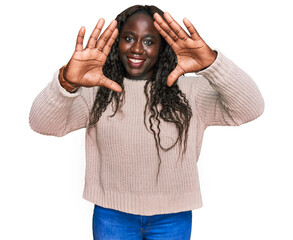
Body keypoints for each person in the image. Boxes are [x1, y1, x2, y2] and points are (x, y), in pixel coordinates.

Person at [29, 4, 264, 240]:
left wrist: (213, 63)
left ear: (162, 48)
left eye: (150, 41)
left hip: (173, 217)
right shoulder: (97, 91)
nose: (138, 49)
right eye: (129, 38)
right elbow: (42, 124)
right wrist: (67, 81)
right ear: (116, 42)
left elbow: (251, 108)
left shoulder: (191, 91)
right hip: (112, 215)